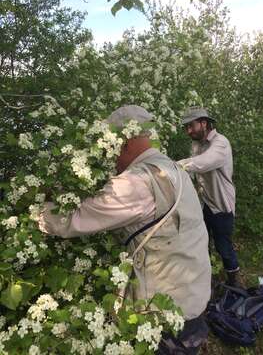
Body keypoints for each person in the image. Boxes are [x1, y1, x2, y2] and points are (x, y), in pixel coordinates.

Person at [39, 105, 211, 354]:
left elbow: (74, 219)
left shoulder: (136, 183)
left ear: (125, 143)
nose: (112, 158)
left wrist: (36, 212)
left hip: (165, 318)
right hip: (193, 297)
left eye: (113, 148)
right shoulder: (174, 169)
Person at [178, 107, 240, 286]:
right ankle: (207, 281)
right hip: (204, 205)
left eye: (191, 126)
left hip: (221, 206)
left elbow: (203, 163)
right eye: (186, 127)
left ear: (204, 123)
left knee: (224, 248)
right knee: (201, 243)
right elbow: (195, 174)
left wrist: (176, 166)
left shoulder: (220, 143)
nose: (188, 131)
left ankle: (234, 283)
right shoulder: (197, 144)